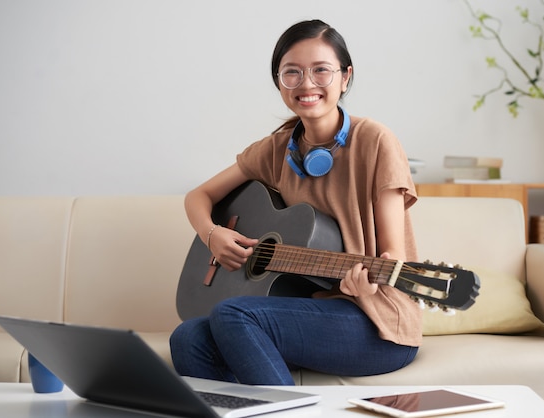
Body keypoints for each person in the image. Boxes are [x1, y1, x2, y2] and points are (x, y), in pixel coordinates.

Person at [169, 19, 422, 385]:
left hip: (376, 320)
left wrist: (369, 283)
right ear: (279, 81)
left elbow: (393, 256)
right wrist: (213, 235)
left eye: (321, 71)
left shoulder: (376, 141)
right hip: (307, 311)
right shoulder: (276, 149)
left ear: (345, 78)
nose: (307, 84)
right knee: (187, 338)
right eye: (292, 73)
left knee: (233, 314)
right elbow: (199, 196)